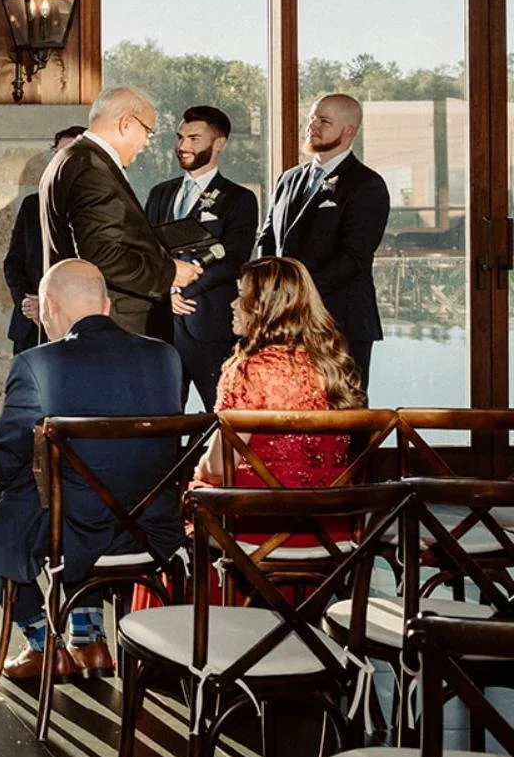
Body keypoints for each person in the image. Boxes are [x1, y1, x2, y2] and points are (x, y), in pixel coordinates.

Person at [0, 260, 187, 680]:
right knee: (83, 489)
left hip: (73, 534)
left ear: (48, 308)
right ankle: (88, 637)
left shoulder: (38, 364)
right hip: (152, 532)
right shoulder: (165, 356)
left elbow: (2, 465)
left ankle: (43, 641)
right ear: (108, 306)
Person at [256, 93, 390, 395]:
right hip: (284, 321)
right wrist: (269, 291)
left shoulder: (367, 185)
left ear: (349, 132)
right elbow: (267, 239)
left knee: (342, 412)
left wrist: (294, 294)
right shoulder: (288, 179)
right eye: (311, 118)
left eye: (324, 121)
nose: (312, 126)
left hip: (338, 320)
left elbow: (353, 258)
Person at [39, 88, 201, 337]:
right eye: (148, 132)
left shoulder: (69, 158)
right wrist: (168, 273)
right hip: (113, 329)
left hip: (81, 325)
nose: (147, 143)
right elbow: (102, 256)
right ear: (127, 122)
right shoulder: (93, 168)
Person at [193, 258, 363, 492]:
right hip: (330, 517)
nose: (233, 304)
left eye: (242, 296)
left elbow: (218, 468)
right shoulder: (332, 365)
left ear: (265, 307)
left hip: (261, 514)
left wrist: (199, 471)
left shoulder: (249, 372)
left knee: (198, 490)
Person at [145, 106, 260, 410]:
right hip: (162, 327)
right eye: (180, 137)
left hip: (210, 328)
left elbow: (234, 258)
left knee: (221, 411)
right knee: (161, 415)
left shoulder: (239, 199)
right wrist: (165, 291)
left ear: (219, 144)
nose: (183, 146)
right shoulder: (160, 193)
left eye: (194, 139)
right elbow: (146, 250)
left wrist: (183, 289)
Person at [3, 126, 85, 353]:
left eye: (70, 155)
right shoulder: (32, 205)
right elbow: (13, 262)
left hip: (76, 326)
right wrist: (27, 302)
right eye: (58, 154)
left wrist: (52, 306)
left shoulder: (95, 207)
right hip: (31, 327)